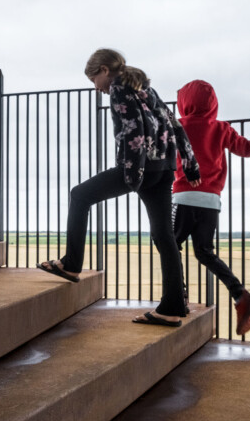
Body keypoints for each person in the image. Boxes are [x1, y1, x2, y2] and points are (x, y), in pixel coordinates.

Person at [38, 48, 201, 327]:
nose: (96, 88)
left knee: (79, 196)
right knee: (164, 236)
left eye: (93, 81)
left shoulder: (119, 88)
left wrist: (132, 174)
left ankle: (72, 264)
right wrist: (190, 164)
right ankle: (174, 304)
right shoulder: (146, 89)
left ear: (104, 70)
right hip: (163, 170)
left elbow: (133, 130)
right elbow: (175, 125)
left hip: (138, 168)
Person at [173, 79, 250, 336]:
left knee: (168, 243)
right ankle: (241, 295)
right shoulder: (221, 128)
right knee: (204, 252)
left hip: (183, 197)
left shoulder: (178, 127)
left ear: (184, 103)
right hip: (210, 201)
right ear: (212, 104)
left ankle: (177, 297)